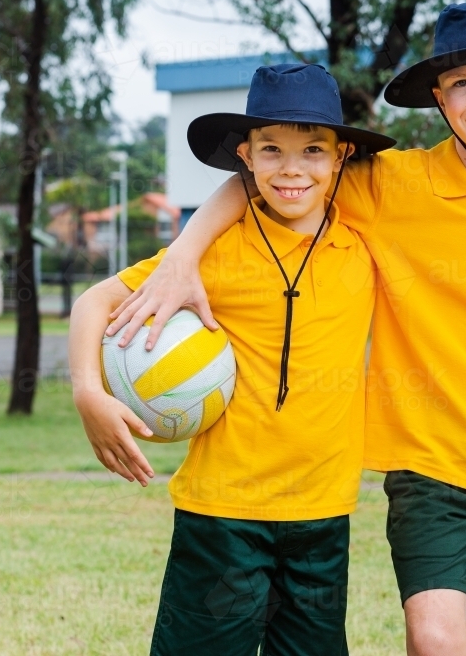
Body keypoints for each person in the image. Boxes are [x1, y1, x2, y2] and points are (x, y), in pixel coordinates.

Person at [105, 0, 466, 656]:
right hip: (427, 465)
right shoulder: (391, 183)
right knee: (435, 639)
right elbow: (273, 170)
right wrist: (182, 252)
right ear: (437, 96)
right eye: (460, 82)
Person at [70, 62, 396, 655]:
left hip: (323, 518)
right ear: (245, 156)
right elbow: (95, 301)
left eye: (313, 151)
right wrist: (88, 392)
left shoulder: (366, 241)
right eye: (271, 149)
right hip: (220, 516)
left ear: (342, 156)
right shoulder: (209, 254)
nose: (292, 168)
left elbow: (451, 171)